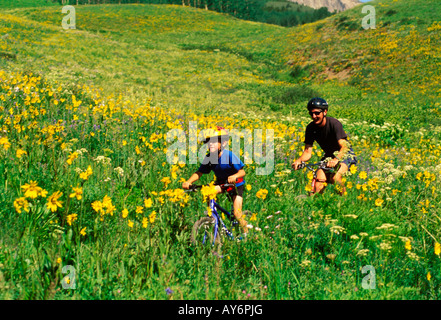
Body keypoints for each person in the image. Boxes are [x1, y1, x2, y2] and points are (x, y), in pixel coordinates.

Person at [182, 126, 248, 234]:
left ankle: (246, 234)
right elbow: (199, 173)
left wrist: (235, 176)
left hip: (236, 184)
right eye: (209, 142)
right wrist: (188, 182)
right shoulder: (209, 157)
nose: (210, 144)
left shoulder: (229, 155)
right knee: (208, 191)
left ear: (223, 143)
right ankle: (211, 217)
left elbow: (242, 172)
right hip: (222, 183)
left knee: (237, 214)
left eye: (214, 141)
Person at [292, 98, 357, 195]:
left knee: (335, 178)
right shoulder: (310, 128)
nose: (314, 116)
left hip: (345, 155)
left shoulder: (334, 124)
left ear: (325, 112)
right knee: (319, 182)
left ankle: (344, 203)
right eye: (311, 114)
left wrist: (336, 159)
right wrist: (299, 160)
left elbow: (344, 146)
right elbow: (307, 152)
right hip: (329, 156)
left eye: (317, 113)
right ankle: (318, 207)